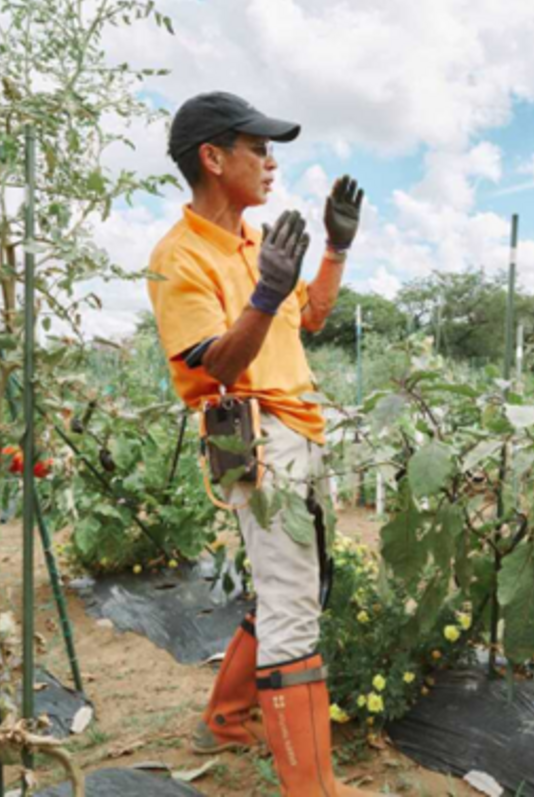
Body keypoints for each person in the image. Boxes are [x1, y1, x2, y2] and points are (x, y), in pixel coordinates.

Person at [147, 91, 372, 797]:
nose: (272, 163)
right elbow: (212, 363)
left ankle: (229, 715)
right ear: (213, 158)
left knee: (292, 585)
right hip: (254, 435)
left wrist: (334, 250)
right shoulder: (178, 257)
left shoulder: (253, 243)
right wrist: (267, 296)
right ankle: (313, 788)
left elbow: (311, 318)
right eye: (258, 148)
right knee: (293, 605)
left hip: (298, 426)